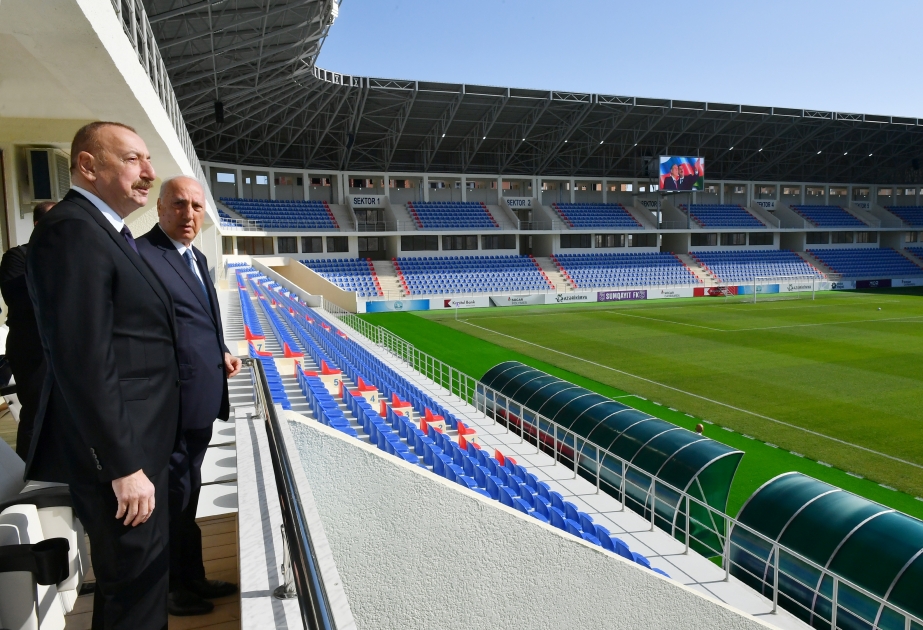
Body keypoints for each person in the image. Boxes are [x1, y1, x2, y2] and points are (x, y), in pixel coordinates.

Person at [26, 121, 180, 630]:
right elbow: (81, 358)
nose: (149, 174)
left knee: (141, 586)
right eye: (134, 160)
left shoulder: (106, 231)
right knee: (132, 592)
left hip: (139, 447)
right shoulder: (72, 229)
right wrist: (122, 465)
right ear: (88, 166)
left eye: (148, 161)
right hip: (121, 459)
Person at [136, 176, 241, 616]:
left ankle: (192, 575)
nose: (189, 214)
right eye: (179, 205)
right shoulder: (143, 256)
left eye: (197, 206)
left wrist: (221, 350)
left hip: (200, 401)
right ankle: (172, 587)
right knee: (172, 500)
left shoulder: (195, 256)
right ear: (160, 207)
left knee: (188, 492)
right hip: (171, 406)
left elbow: (195, 322)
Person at [0, 201, 55, 459]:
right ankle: (29, 473)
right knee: (36, 412)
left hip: (63, 348)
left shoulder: (69, 257)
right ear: (37, 224)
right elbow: (21, 302)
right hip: (32, 350)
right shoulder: (17, 257)